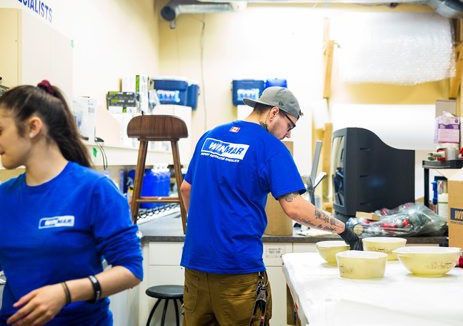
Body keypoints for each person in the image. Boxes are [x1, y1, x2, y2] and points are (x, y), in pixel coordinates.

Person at [180, 86, 361, 326]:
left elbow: (186, 189)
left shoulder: (210, 136)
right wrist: (342, 229)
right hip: (238, 271)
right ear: (274, 113)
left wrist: (204, 225)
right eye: (290, 126)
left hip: (195, 267)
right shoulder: (271, 148)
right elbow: (294, 208)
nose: (288, 135)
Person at [0, 81, 143, 326]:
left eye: (0, 130)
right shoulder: (4, 196)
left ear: (33, 127)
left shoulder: (94, 189)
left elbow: (131, 270)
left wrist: (65, 293)